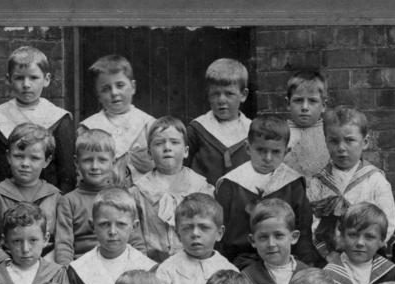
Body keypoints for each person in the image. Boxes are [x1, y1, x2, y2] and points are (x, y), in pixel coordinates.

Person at [215, 115, 318, 269]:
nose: (268, 158)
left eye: (276, 152)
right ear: (248, 148)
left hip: (283, 260)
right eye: (261, 150)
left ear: (286, 151)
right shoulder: (230, 184)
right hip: (239, 263)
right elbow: (219, 234)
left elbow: (303, 232)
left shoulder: (292, 183)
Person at [0, 46, 76, 193]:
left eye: (33, 77)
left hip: (48, 199)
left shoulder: (59, 118)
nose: (26, 84)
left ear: (46, 79)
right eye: (19, 77)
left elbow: (66, 172)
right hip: (7, 196)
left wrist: (60, 203)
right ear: (9, 80)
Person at [307, 107, 395, 257]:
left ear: (365, 142)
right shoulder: (318, 182)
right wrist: (327, 251)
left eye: (349, 140)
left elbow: (388, 221)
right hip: (328, 255)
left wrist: (368, 247)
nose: (341, 148)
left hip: (367, 254)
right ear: (326, 142)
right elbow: (311, 223)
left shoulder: (375, 180)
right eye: (334, 141)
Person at [53, 128, 147, 265]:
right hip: (83, 267)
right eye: (87, 160)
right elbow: (64, 245)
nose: (95, 166)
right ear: (76, 163)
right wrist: (66, 271)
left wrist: (140, 267)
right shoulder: (68, 201)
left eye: (102, 160)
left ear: (113, 163)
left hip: (120, 264)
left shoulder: (125, 197)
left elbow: (136, 241)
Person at [0, 123, 61, 267]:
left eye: (34, 158)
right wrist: (5, 264)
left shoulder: (55, 197)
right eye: (19, 156)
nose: (25, 163)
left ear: (47, 161)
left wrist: (45, 266)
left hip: (45, 268)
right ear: (8, 156)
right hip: (4, 269)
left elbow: (61, 239)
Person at [154, 193, 236, 284]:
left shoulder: (229, 271)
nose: (195, 234)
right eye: (187, 228)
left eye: (204, 227)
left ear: (219, 233)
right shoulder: (167, 270)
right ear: (178, 235)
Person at [131, 116, 214, 262]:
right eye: (159, 143)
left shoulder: (200, 186)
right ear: (150, 153)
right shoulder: (139, 191)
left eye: (174, 142)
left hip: (192, 261)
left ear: (186, 151)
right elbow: (135, 236)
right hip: (152, 263)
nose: (167, 147)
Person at [78, 54, 155, 186]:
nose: (114, 92)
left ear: (133, 87)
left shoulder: (148, 124)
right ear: (98, 96)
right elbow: (81, 172)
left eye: (120, 85)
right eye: (105, 89)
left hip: (143, 194)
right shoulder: (89, 127)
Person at [185, 58, 251, 186]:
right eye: (215, 94)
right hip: (204, 200)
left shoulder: (252, 130)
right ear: (208, 94)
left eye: (229, 94)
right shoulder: (197, 129)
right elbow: (183, 166)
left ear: (243, 95)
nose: (221, 100)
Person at [283, 70, 330, 180]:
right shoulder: (280, 133)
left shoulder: (330, 134)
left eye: (312, 101)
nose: (304, 107)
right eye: (298, 100)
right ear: (288, 103)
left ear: (323, 105)